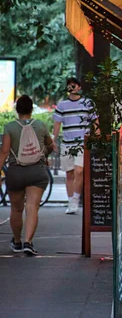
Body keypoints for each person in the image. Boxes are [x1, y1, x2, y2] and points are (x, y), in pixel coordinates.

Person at [0, 95, 54, 255]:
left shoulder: (10, 127)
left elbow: (4, 152)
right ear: (31, 109)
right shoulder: (40, 125)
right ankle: (28, 242)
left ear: (17, 109)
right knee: (32, 208)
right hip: (37, 171)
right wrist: (45, 156)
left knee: (16, 209)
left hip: (16, 172)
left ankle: (17, 241)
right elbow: (50, 145)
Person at [52, 77, 97, 215]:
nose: (71, 87)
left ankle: (75, 200)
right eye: (69, 85)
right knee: (69, 173)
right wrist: (53, 140)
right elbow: (57, 124)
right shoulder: (62, 105)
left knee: (79, 171)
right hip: (67, 143)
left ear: (79, 87)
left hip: (82, 143)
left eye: (74, 85)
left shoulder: (87, 103)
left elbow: (95, 120)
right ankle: (70, 201)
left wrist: (97, 135)